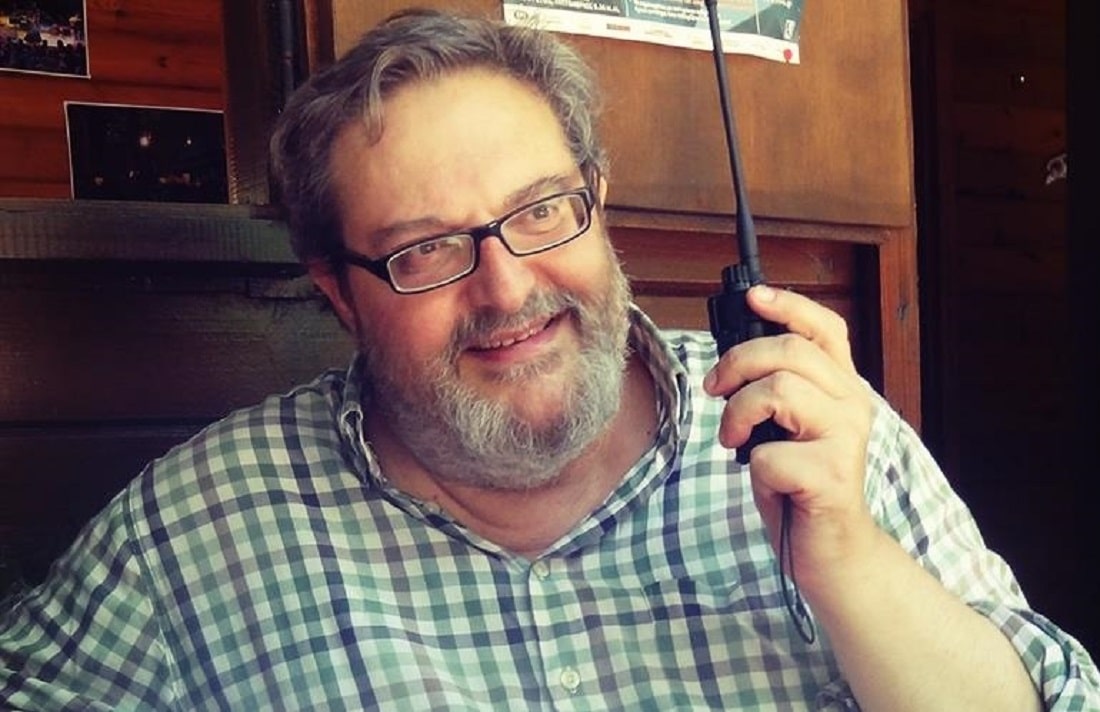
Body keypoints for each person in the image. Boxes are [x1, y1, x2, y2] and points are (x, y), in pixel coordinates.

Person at [1, 8, 1097, 710]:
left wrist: (850, 563)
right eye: (427, 249)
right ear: (337, 291)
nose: (506, 288)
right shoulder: (199, 528)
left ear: (597, 202)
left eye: (540, 212)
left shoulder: (814, 428)